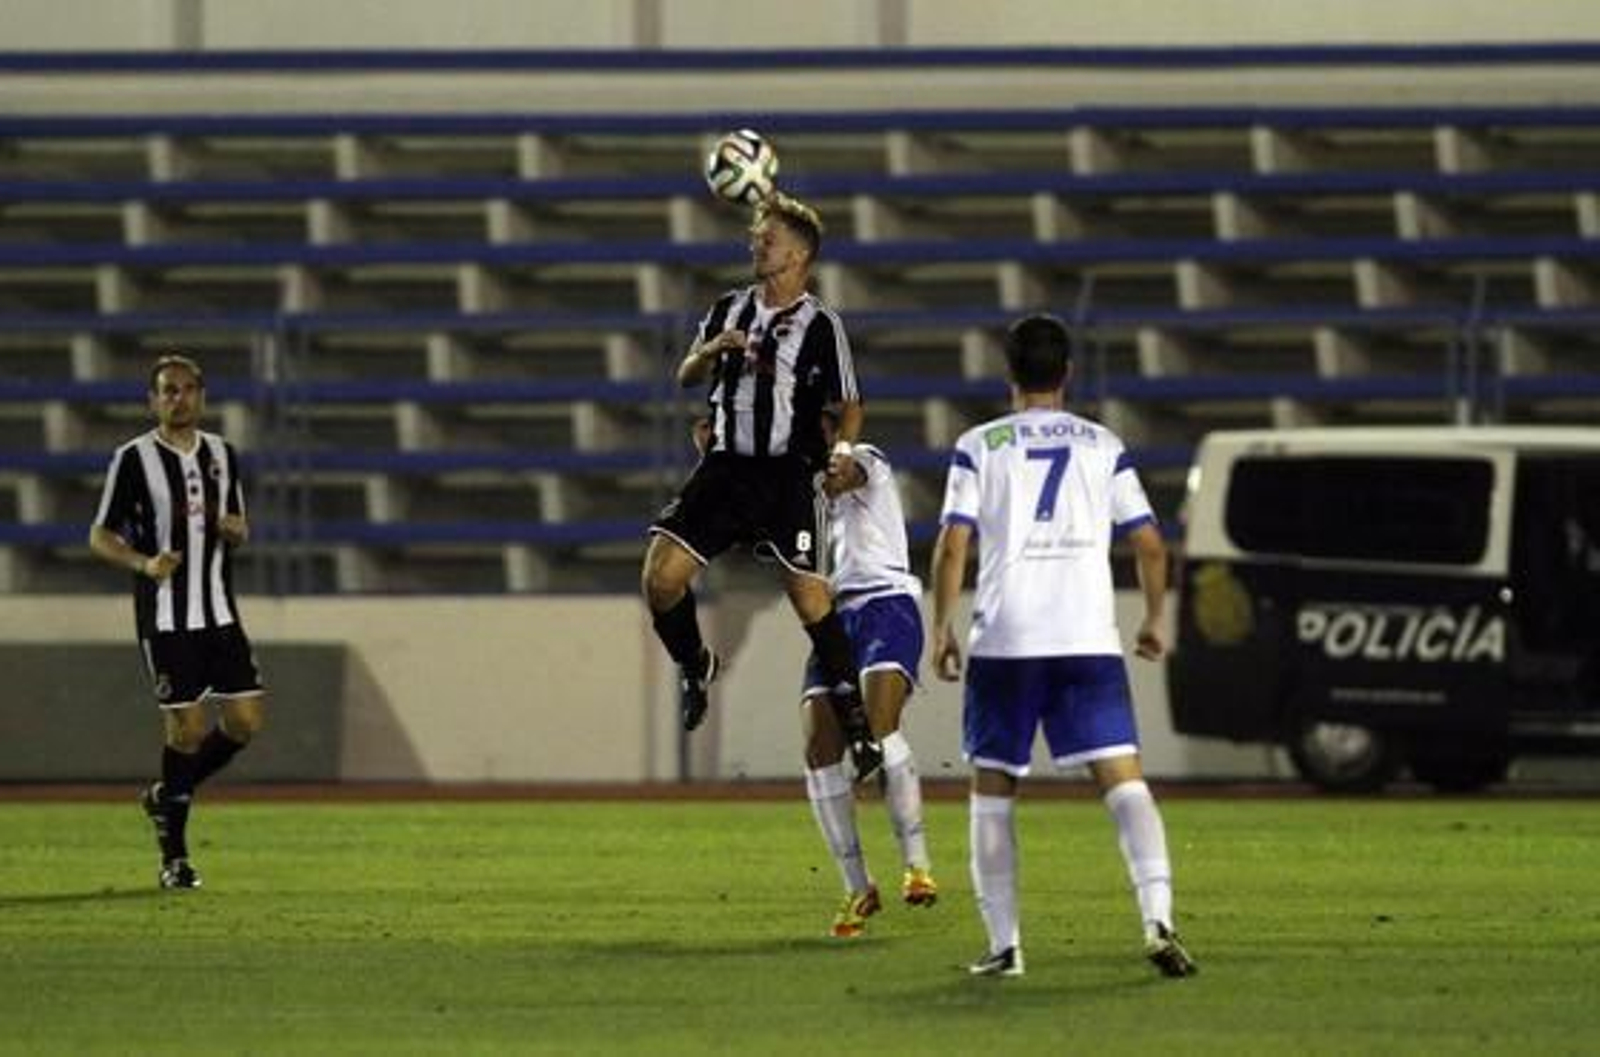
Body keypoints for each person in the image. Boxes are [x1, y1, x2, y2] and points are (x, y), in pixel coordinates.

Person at [929, 314, 1197, 979]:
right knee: (1124, 782)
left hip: (1007, 637)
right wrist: (1156, 616)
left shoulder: (979, 444)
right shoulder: (1103, 445)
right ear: (1068, 373)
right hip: (1085, 637)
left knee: (993, 787)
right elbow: (1149, 541)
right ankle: (1158, 917)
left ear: (1009, 374)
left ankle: (1005, 945)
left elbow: (954, 541)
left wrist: (941, 624)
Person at [643, 192, 879, 778]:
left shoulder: (823, 325)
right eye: (756, 238)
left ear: (799, 255)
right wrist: (710, 349)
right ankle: (696, 663)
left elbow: (849, 404)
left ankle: (859, 726)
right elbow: (683, 375)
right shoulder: (730, 307)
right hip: (725, 468)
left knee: (810, 600)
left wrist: (841, 453)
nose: (756, 245)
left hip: (786, 475)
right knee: (660, 580)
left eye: (767, 239)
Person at [88, 353, 266, 890]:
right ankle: (175, 858)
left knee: (245, 722)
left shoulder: (222, 455)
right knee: (186, 730)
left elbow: (239, 528)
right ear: (152, 399)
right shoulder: (133, 458)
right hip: (166, 617)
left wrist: (233, 529)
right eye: (167, 390)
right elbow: (100, 534)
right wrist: (144, 563)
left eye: (187, 389)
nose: (178, 398)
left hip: (219, 610)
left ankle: (167, 793)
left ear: (202, 396)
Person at [798, 411, 937, 938]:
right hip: (834, 620)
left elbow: (843, 473)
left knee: (878, 731)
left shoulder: (866, 460)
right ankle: (859, 887)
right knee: (818, 751)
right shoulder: (804, 498)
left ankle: (917, 865)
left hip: (886, 606)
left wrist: (813, 466)